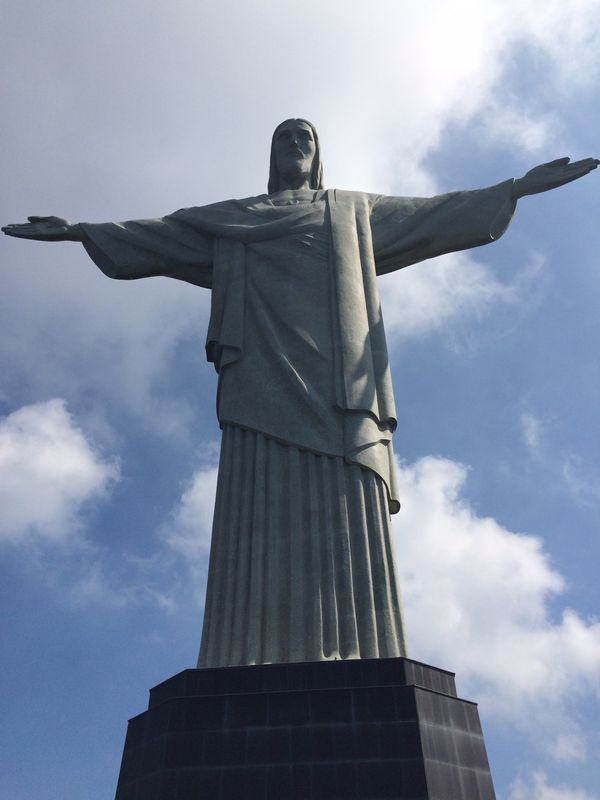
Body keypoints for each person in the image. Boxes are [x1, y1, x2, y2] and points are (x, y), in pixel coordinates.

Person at [3, 120, 597, 668]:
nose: (294, 145)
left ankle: (363, 651)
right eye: (284, 138)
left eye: (304, 138)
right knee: (259, 496)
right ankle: (244, 650)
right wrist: (82, 231)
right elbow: (160, 235)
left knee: (346, 499)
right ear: (271, 155)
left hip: (340, 386)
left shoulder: (352, 210)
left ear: (318, 157)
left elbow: (436, 214)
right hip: (260, 379)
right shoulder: (232, 217)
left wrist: (516, 188)